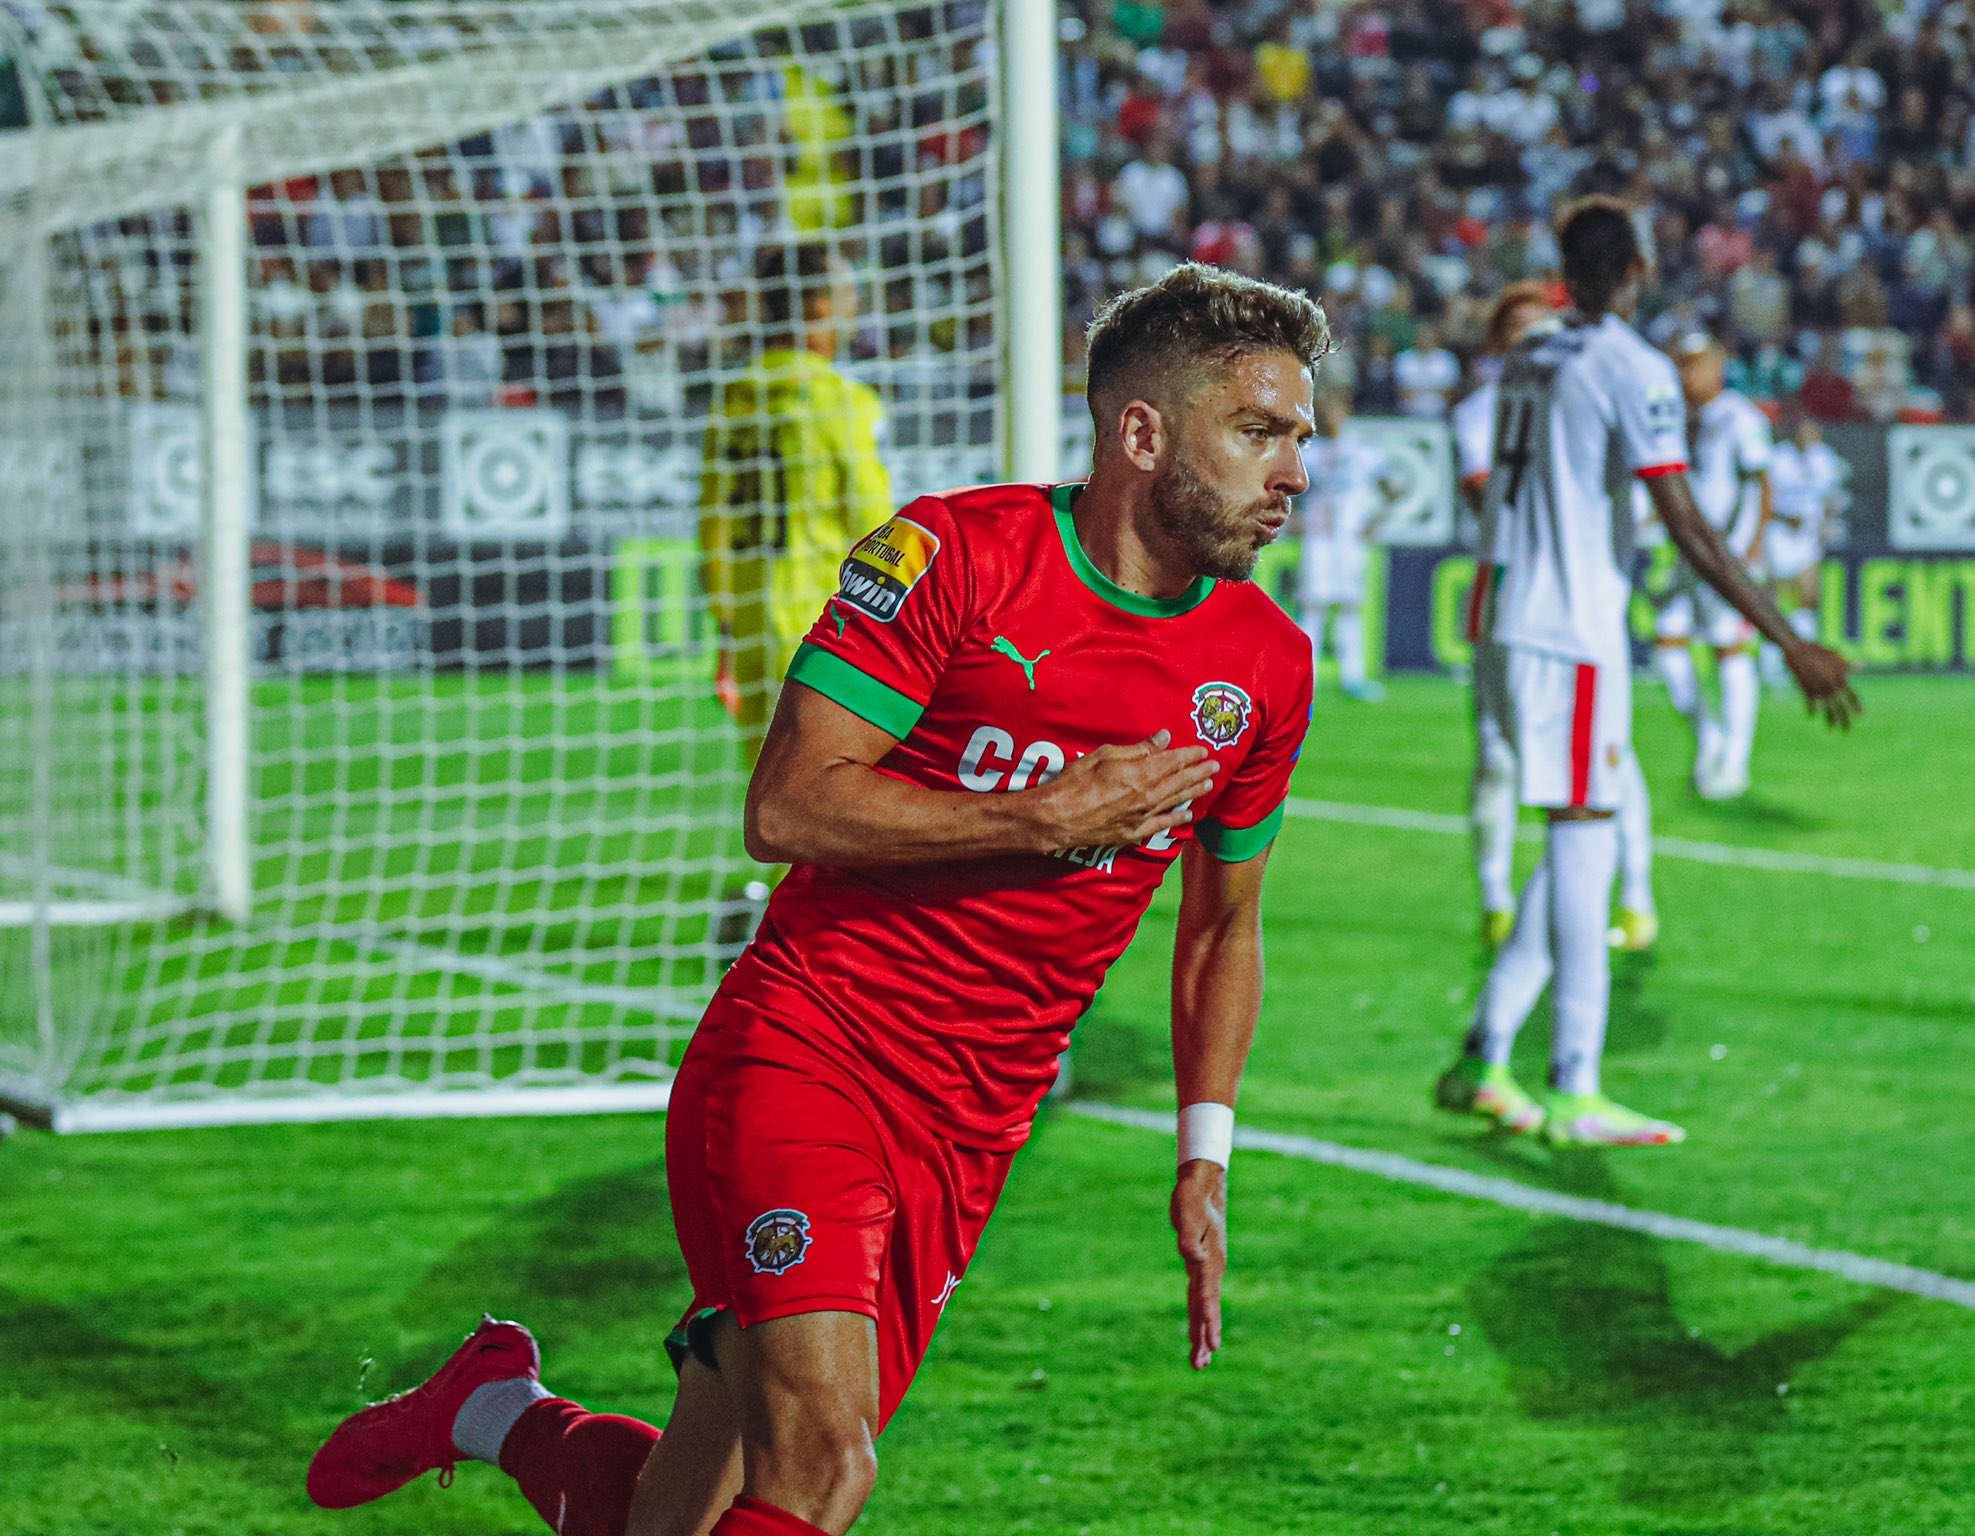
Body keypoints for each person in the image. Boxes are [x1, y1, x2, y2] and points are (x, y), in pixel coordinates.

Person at [305, 263, 1325, 1536]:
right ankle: (502, 1416)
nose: (1293, 472)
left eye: (1298, 437)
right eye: (1259, 432)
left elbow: (1222, 925)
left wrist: (1203, 1152)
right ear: (1141, 432)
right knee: (825, 1469)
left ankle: (497, 1415)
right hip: (810, 1053)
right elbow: (785, 806)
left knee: (688, 1509)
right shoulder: (958, 556)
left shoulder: (1264, 664)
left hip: (972, 1126)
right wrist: (1042, 815)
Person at [1434, 201, 1856, 1147]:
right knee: (1588, 835)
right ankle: (1575, 1085)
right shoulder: (1631, 364)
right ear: (1636, 267)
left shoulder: (1529, 355)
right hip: (1572, 626)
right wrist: (1790, 639)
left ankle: (1485, 1051)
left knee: (1582, 828)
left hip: (1508, 614)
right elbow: (1688, 521)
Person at [1452, 283, 1660, 952]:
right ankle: (1496, 898)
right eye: (1516, 331)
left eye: (1540, 328)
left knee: (1608, 761)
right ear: (1497, 343)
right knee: (1498, 760)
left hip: (1567, 597)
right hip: (1510, 588)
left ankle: (1633, 896)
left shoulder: (1577, 394)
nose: (1531, 342)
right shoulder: (1480, 412)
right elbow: (1485, 492)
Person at [698, 240, 894, 767]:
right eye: (848, 292)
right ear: (821, 308)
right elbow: (878, 529)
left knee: (772, 801)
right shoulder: (841, 402)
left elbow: (711, 526)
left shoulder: (734, 398)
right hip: (825, 627)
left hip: (751, 625)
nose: (855, 305)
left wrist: (725, 627)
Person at [1653, 331, 1776, 800]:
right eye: (1681, 364)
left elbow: (1762, 482)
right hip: (1692, 554)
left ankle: (1736, 761)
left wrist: (1749, 548)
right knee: (1668, 645)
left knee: (1729, 648)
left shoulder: (1739, 417)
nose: (1687, 374)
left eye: (1695, 364)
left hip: (1727, 555)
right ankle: (1709, 737)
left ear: (1718, 366)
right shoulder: (1686, 418)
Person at [1297, 362, 1394, 701]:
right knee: (1313, 606)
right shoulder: (1309, 452)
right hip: (1319, 538)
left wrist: (1377, 517)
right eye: (1324, 412)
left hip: (1350, 539)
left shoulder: (1362, 450)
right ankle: (1304, 677)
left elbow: (1393, 486)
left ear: (1345, 412)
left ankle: (1353, 677)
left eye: (1333, 411)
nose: (1328, 417)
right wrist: (1292, 516)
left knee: (1350, 606)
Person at [1760, 409, 1845, 689]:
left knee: (1808, 597)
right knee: (1777, 599)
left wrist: (1825, 524)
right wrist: (1784, 517)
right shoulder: (1778, 458)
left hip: (1807, 536)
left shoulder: (1824, 460)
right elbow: (1762, 497)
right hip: (1779, 533)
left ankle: (1804, 661)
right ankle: (1772, 664)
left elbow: (1831, 497)